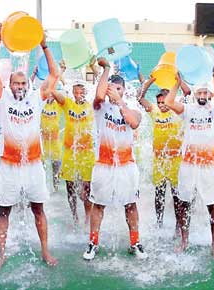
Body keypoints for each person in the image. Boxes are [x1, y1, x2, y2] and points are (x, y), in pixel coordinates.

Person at [0, 23, 57, 271]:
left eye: (22, 84)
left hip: (33, 165)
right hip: (8, 166)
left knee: (39, 209)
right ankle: (2, 254)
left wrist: (44, 45)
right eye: (16, 84)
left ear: (27, 85)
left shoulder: (36, 98)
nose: (19, 87)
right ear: (10, 85)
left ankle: (45, 251)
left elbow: (54, 75)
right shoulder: (3, 98)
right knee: (3, 211)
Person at [83, 58, 147, 260]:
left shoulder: (133, 109)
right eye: (112, 88)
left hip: (126, 166)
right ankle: (93, 243)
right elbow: (99, 95)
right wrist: (106, 70)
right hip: (103, 165)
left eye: (118, 89)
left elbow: (134, 123)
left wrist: (120, 102)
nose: (114, 92)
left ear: (124, 91)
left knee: (130, 205)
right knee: (98, 205)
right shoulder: (100, 107)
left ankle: (135, 242)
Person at [165, 65, 214, 259]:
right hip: (188, 166)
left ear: (209, 95)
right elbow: (168, 101)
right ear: (195, 94)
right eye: (199, 91)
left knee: (212, 205)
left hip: (209, 167)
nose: (202, 94)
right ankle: (184, 240)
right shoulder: (188, 110)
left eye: (206, 92)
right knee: (184, 203)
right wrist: (176, 82)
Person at [46, 76, 95, 227]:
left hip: (87, 154)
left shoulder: (91, 106)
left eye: (81, 92)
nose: (78, 95)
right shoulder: (68, 104)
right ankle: (75, 218)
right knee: (70, 188)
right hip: (69, 153)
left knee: (86, 190)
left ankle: (88, 218)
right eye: (76, 92)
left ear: (86, 93)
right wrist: (56, 76)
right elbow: (52, 91)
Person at [137, 78, 183, 228]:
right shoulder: (155, 112)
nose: (162, 105)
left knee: (177, 195)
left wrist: (178, 81)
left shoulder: (178, 113)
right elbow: (140, 98)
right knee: (159, 193)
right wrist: (150, 81)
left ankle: (178, 225)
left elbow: (188, 94)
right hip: (159, 161)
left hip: (175, 161)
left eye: (164, 102)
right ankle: (159, 222)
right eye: (159, 103)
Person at [40, 90, 63, 193]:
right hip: (43, 141)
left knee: (56, 167)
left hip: (55, 141)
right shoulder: (41, 104)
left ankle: (56, 188)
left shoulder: (58, 105)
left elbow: (64, 98)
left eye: (52, 94)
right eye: (48, 94)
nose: (50, 96)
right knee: (41, 166)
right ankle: (42, 187)